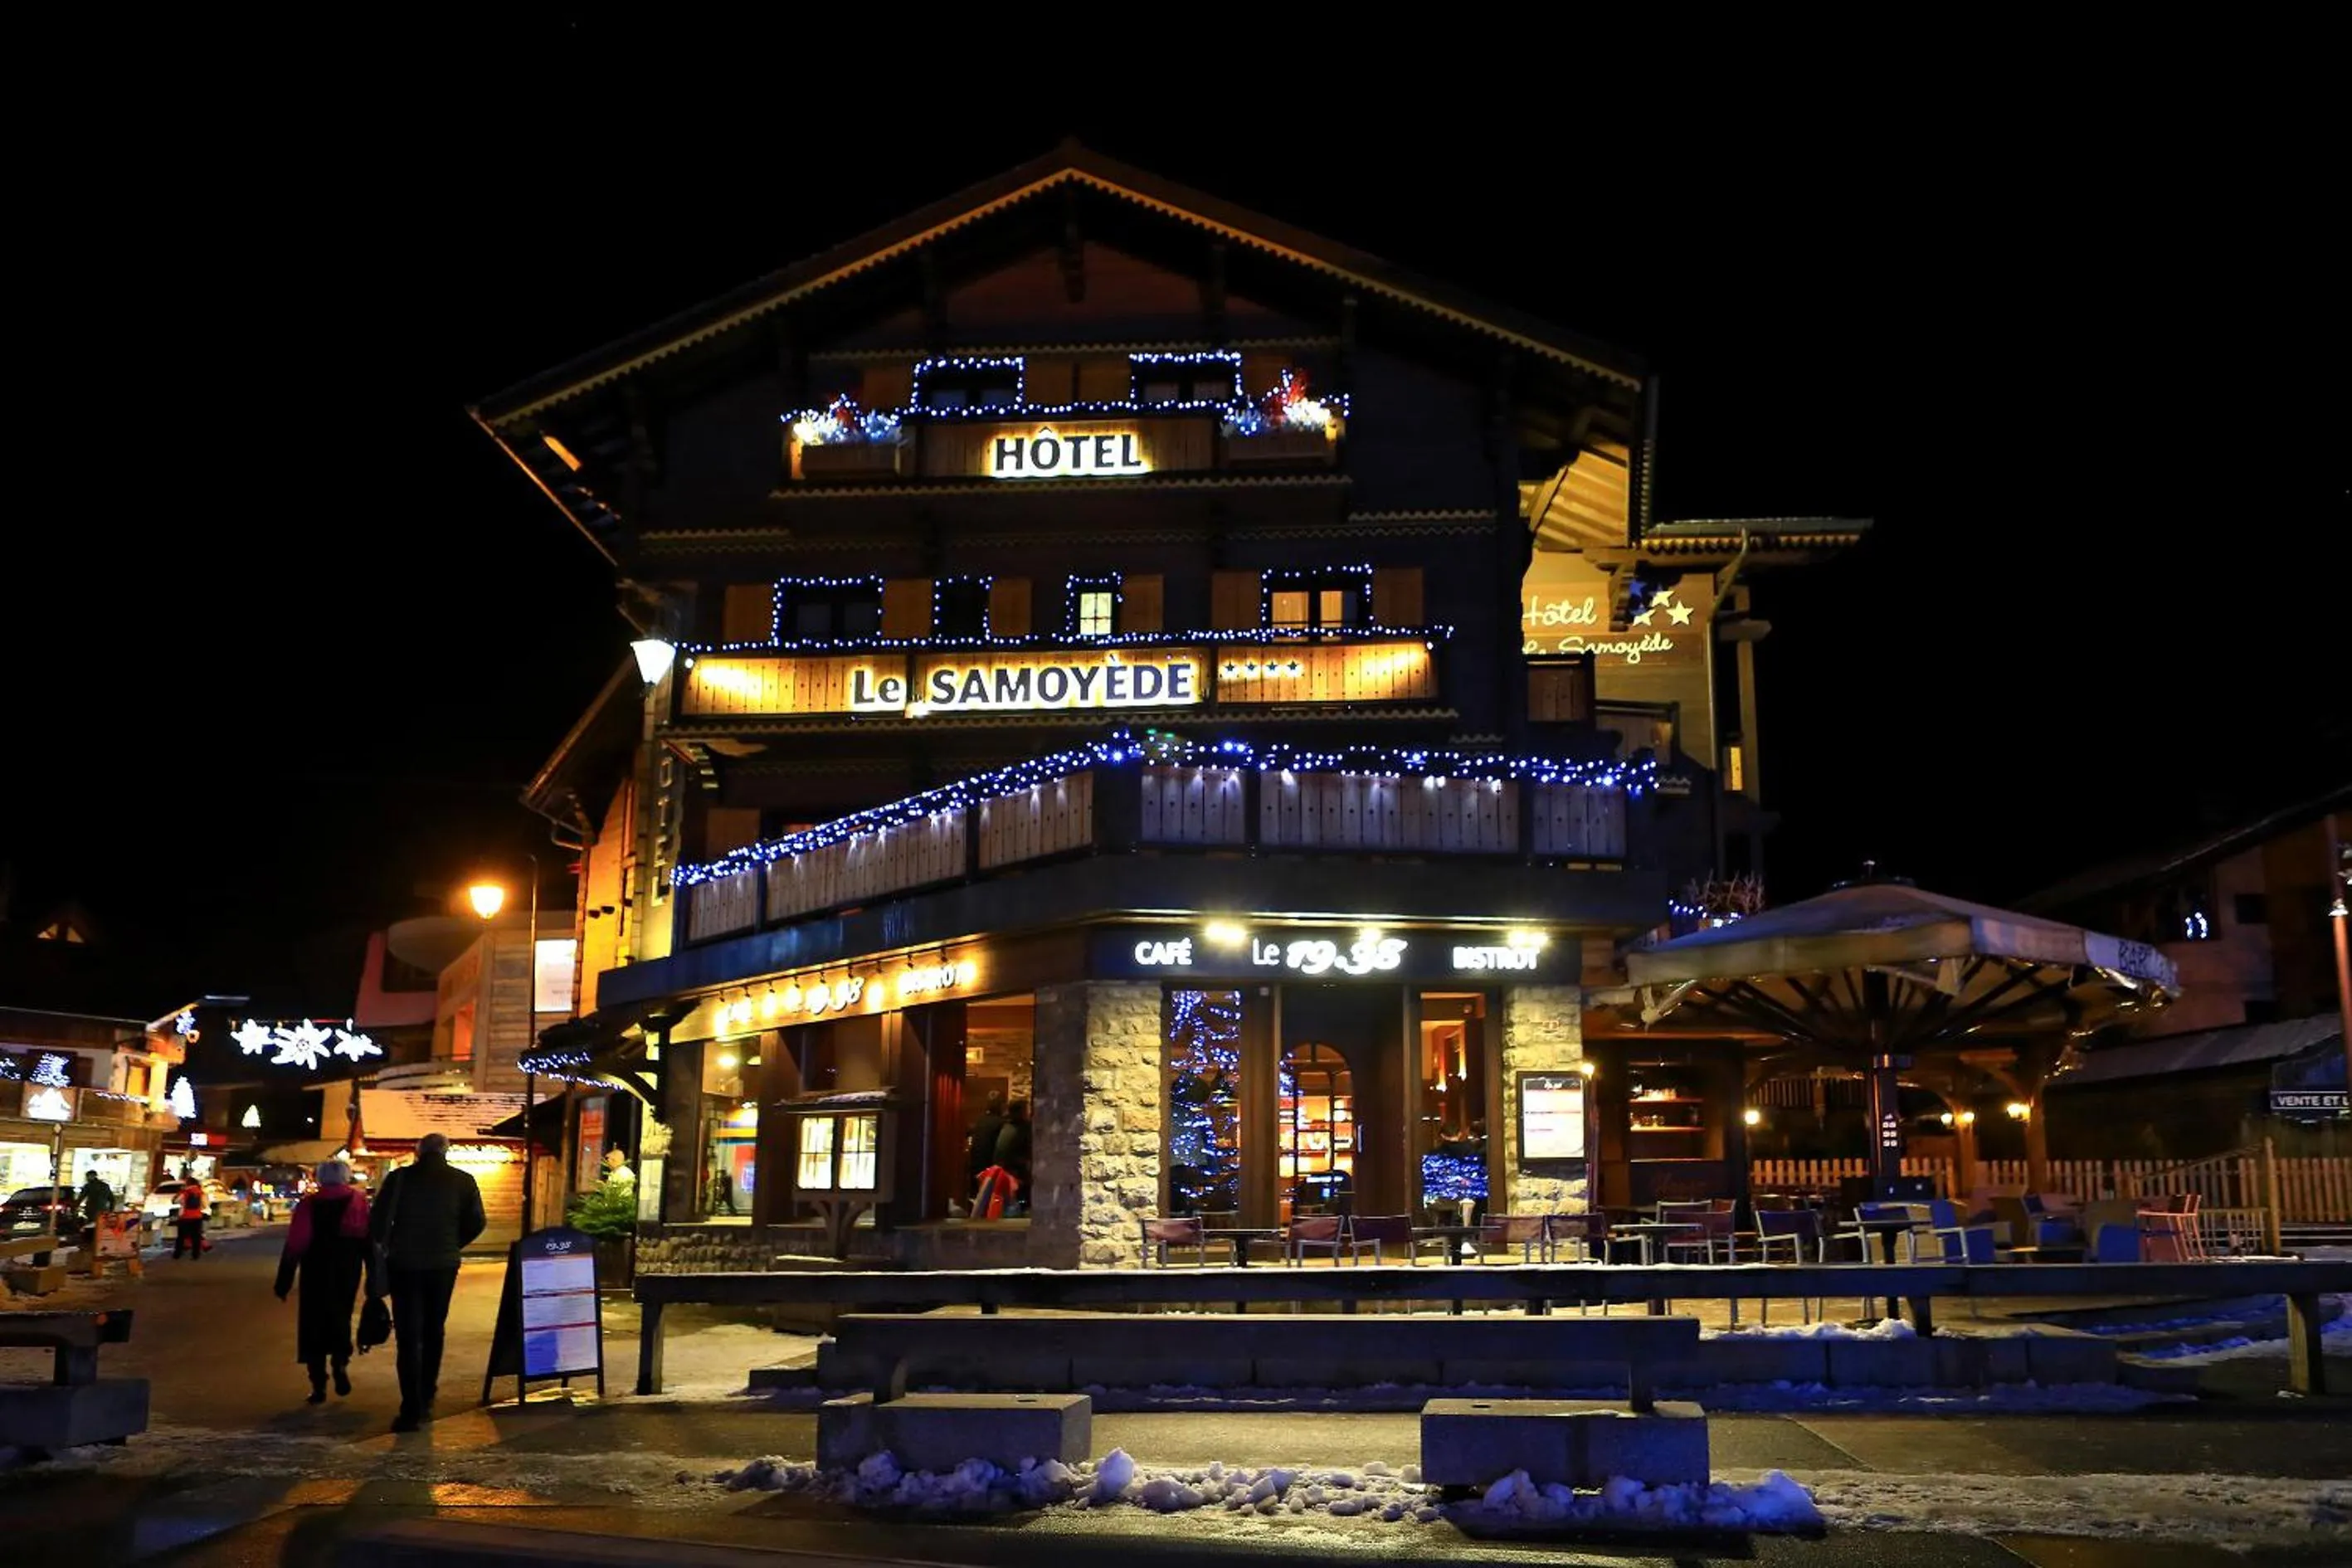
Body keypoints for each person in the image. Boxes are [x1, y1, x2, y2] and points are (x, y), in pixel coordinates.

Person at [369, 1132, 486, 1432]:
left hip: (404, 1265)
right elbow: (477, 1221)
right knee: (434, 1329)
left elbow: (378, 1222)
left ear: (418, 1151)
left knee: (408, 1336)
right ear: (446, 1152)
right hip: (443, 1265)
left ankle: (411, 1407)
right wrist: (453, 1243)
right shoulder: (463, 1180)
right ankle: (428, 1393)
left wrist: (391, 1244)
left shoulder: (399, 1180)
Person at [274, 1159, 373, 1404]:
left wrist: (284, 1280)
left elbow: (296, 1242)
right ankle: (340, 1362)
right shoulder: (358, 1201)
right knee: (341, 1317)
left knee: (312, 1324)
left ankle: (318, 1384)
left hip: (315, 1270)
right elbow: (368, 1239)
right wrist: (375, 1275)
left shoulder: (309, 1204)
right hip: (347, 1270)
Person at [993, 1098, 1033, 1214]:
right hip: (1014, 1175)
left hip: (1002, 1173)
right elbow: (1027, 1153)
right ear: (1021, 1112)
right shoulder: (1023, 1128)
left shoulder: (1005, 1126)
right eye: (1026, 1110)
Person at [966, 1092, 1007, 1188]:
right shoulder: (1001, 1124)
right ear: (1001, 1105)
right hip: (991, 1170)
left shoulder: (980, 1121)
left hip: (976, 1168)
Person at [173, 1177, 208, 1260]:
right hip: (197, 1217)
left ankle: (177, 1254)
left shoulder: (185, 1192)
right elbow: (205, 1205)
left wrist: (179, 1193)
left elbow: (175, 1201)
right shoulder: (201, 1193)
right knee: (196, 1237)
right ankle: (195, 1255)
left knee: (181, 1237)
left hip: (185, 1217)